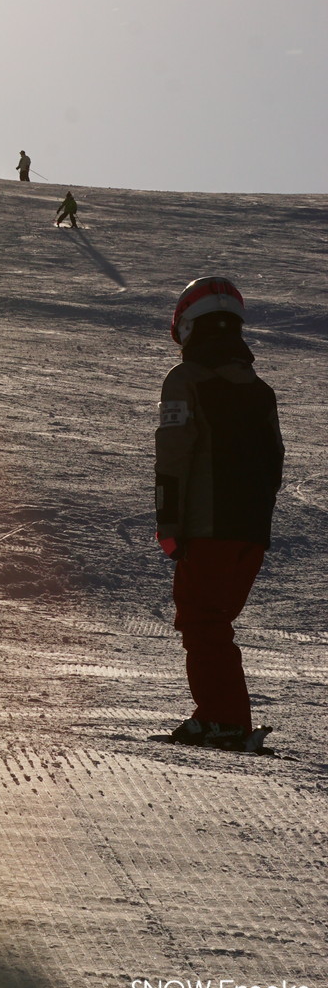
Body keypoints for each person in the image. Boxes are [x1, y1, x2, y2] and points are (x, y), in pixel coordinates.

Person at [155, 277, 284, 751]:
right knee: (213, 622)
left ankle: (222, 719)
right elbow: (275, 462)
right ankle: (224, 715)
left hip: (206, 529)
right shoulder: (262, 391)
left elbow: (173, 455)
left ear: (189, 327)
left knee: (201, 621)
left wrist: (169, 523)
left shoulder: (185, 380)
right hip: (249, 531)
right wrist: (255, 523)